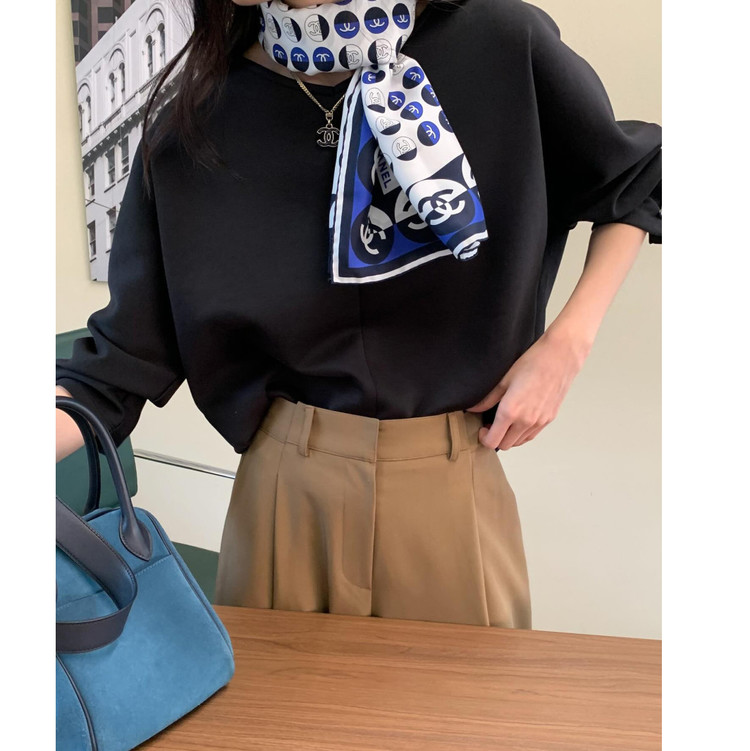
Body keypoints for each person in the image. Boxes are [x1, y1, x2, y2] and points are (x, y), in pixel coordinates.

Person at [56, 0, 662, 630]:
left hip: (452, 492)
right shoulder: (195, 123)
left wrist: (567, 346)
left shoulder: (501, 45)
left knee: (465, 698)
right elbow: (120, 364)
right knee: (274, 699)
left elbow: (637, 179)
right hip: (280, 505)